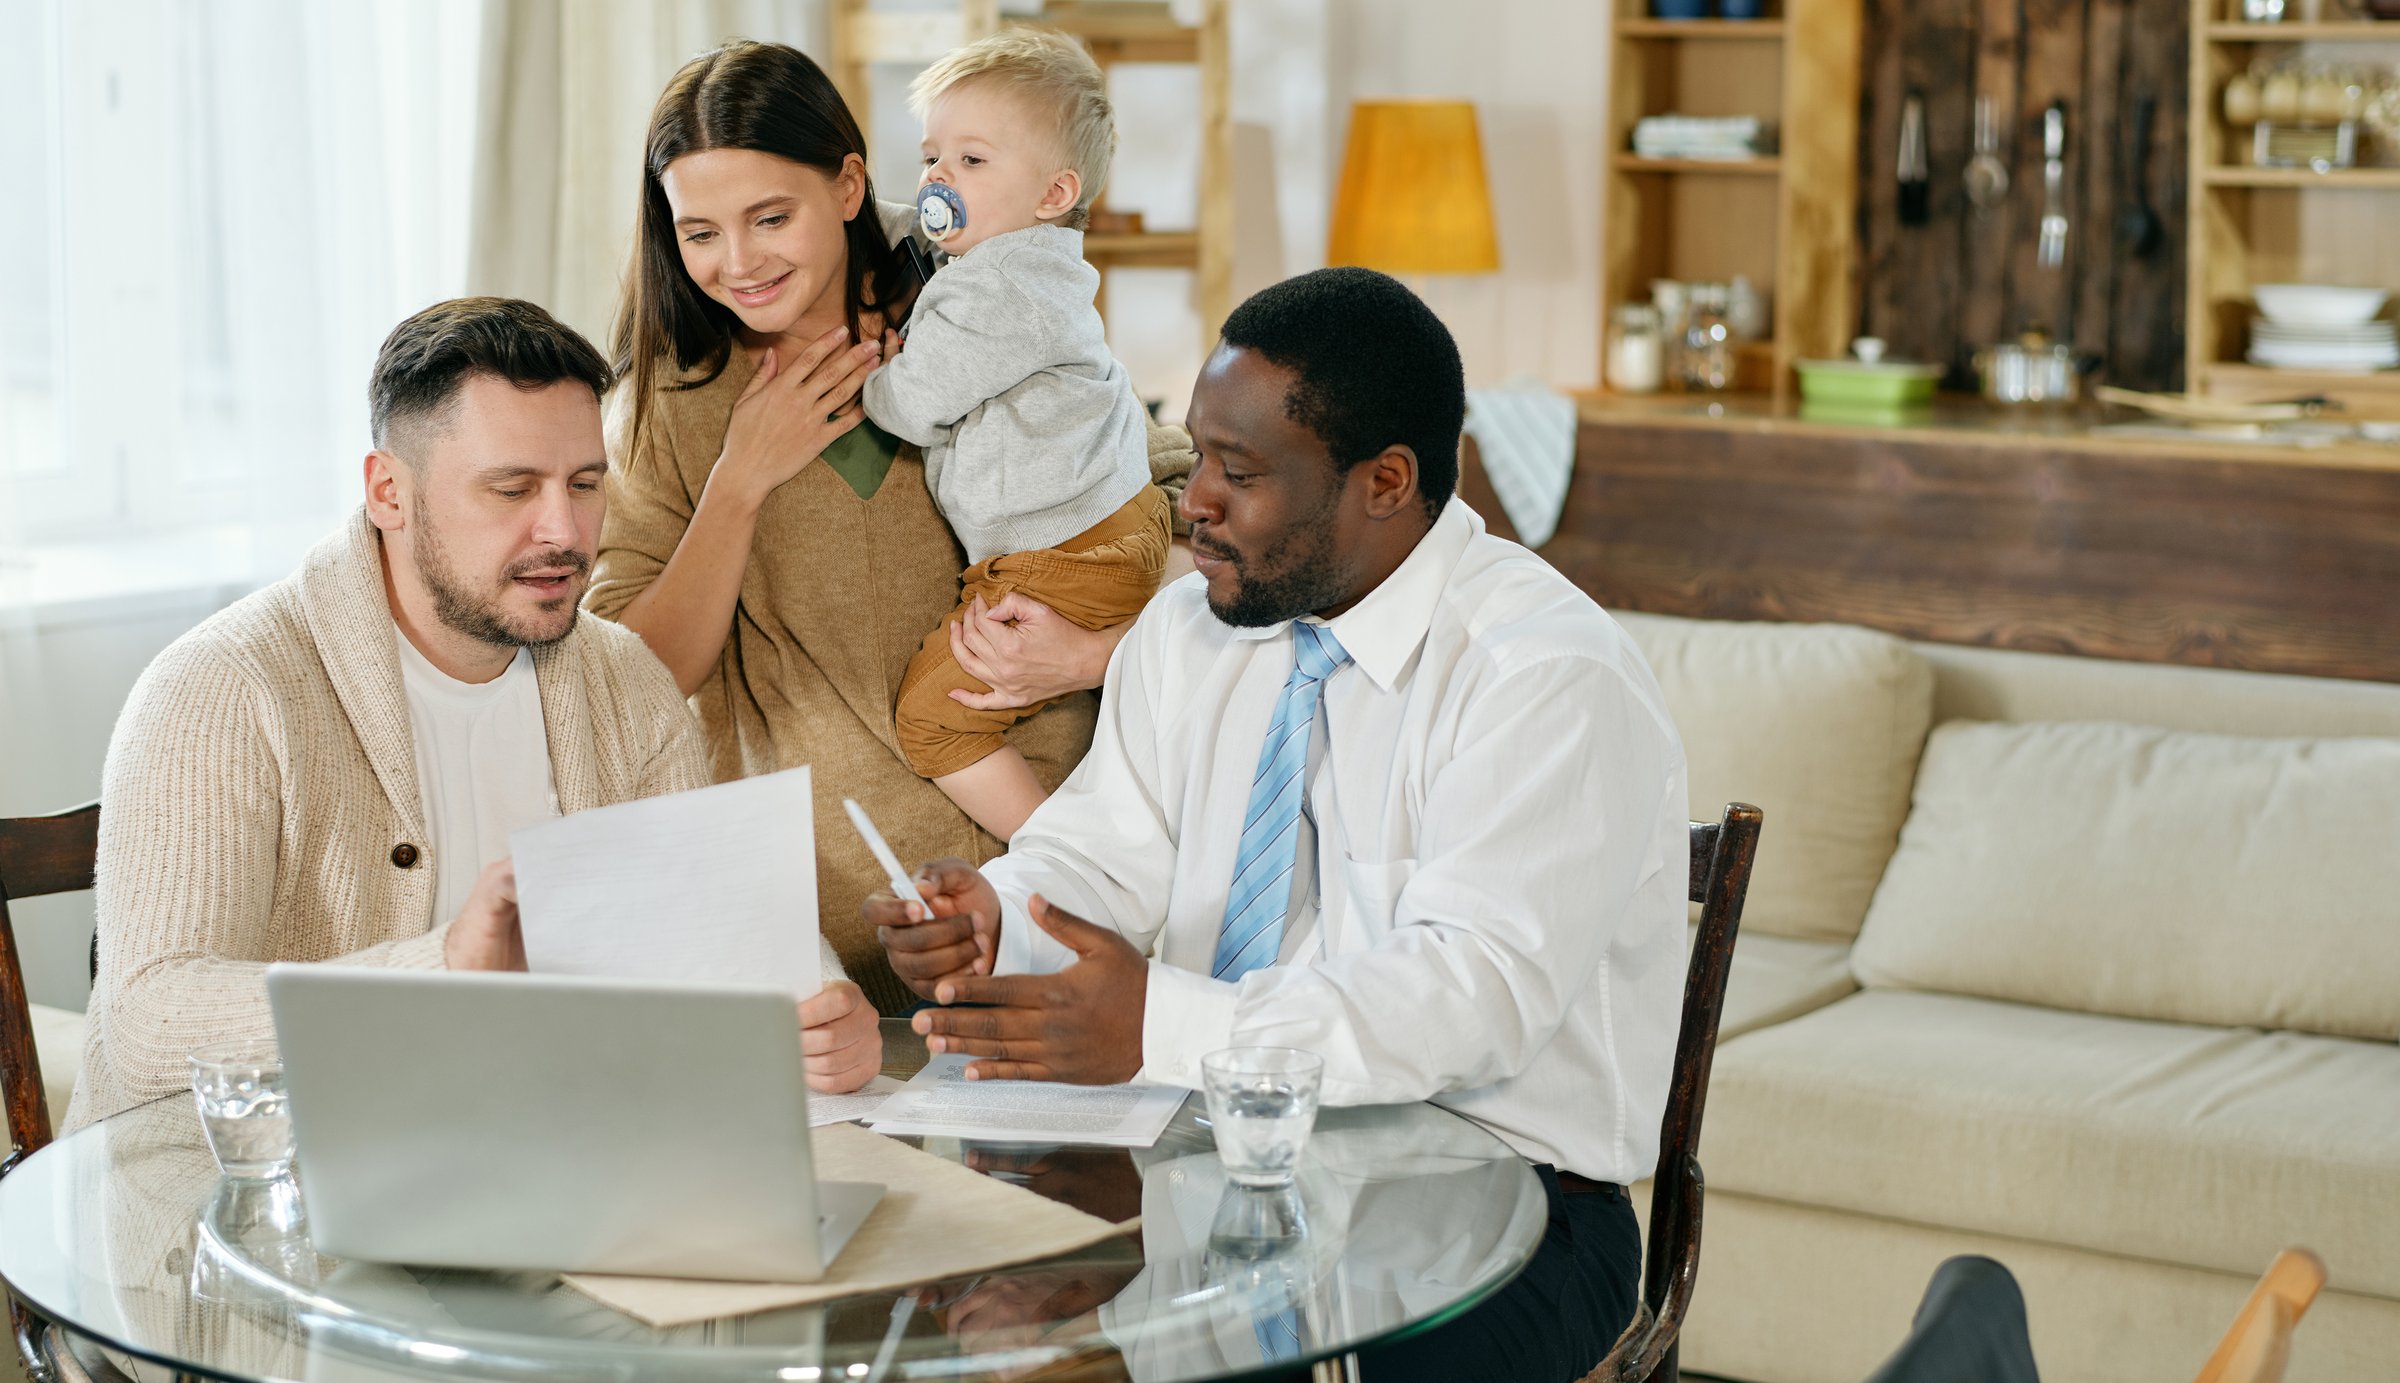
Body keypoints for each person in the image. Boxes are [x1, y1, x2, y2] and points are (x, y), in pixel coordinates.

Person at [868, 268, 1688, 1383]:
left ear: (1385, 482)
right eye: (1194, 453)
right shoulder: (1189, 632)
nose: (1190, 501)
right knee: (958, 1307)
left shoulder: (1543, 677)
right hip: (1211, 1168)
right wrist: (994, 920)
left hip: (1510, 1211)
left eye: (1238, 473)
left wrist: (1159, 1024)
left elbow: (1470, 1000)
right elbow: (1098, 854)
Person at [68, 297, 880, 1133]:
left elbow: (716, 914)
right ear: (390, 491)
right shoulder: (221, 688)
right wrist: (447, 969)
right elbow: (146, 1023)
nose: (563, 531)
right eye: (513, 488)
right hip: (243, 1198)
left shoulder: (626, 679)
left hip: (534, 1157)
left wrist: (820, 1005)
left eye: (585, 484)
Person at [589, 40, 1191, 1014]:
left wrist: (1100, 652)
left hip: (1062, 906)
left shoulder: (975, 278)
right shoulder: (668, 407)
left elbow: (1164, 481)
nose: (738, 262)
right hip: (837, 952)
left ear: (849, 185)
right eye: (699, 232)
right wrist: (740, 482)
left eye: (771, 217)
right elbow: (631, 678)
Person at [862, 30, 1170, 843]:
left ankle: (1070, 863)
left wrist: (875, 374)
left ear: (1052, 191)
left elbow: (912, 405)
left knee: (933, 720)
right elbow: (922, 243)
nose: (936, 181)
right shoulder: (1034, 265)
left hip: (1057, 557)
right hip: (1119, 522)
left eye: (971, 161)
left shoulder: (998, 289)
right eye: (932, 157)